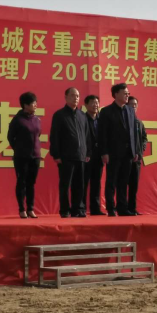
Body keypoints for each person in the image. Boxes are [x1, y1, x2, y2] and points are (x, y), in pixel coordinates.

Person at [50, 87, 91, 218]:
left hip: (81, 156)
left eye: (77, 96)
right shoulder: (59, 115)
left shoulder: (82, 115)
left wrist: (87, 153)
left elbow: (86, 135)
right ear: (66, 97)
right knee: (65, 184)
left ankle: (78, 209)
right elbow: (55, 136)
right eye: (73, 95)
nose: (76, 98)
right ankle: (64, 210)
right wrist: (56, 154)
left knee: (79, 185)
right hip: (66, 156)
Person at [98, 83, 138, 216]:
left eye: (128, 93)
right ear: (116, 94)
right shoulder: (106, 111)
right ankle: (110, 208)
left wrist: (135, 150)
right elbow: (102, 134)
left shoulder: (130, 111)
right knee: (111, 181)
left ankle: (122, 208)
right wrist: (104, 152)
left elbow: (134, 132)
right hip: (113, 153)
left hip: (128, 153)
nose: (127, 95)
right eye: (124, 93)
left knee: (124, 181)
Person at [8, 92, 42, 219]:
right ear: (25, 105)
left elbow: (38, 135)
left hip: (35, 156)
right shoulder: (17, 120)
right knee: (21, 182)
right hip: (22, 157)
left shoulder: (37, 119)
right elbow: (10, 137)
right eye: (33, 103)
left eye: (36, 102)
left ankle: (30, 208)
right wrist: (19, 149)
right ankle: (22, 209)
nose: (36, 105)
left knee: (31, 183)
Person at [83, 95, 104, 215]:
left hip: (99, 155)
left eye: (97, 102)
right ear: (86, 105)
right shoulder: (82, 118)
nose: (95, 105)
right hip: (86, 155)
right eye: (92, 102)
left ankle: (95, 208)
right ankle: (81, 208)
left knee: (96, 183)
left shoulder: (101, 119)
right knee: (84, 182)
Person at [127, 96, 148, 215]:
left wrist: (141, 149)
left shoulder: (139, 122)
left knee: (134, 185)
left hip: (137, 159)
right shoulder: (124, 121)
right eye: (131, 104)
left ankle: (132, 208)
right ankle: (122, 207)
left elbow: (144, 138)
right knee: (123, 184)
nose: (133, 107)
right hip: (126, 158)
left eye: (135, 105)